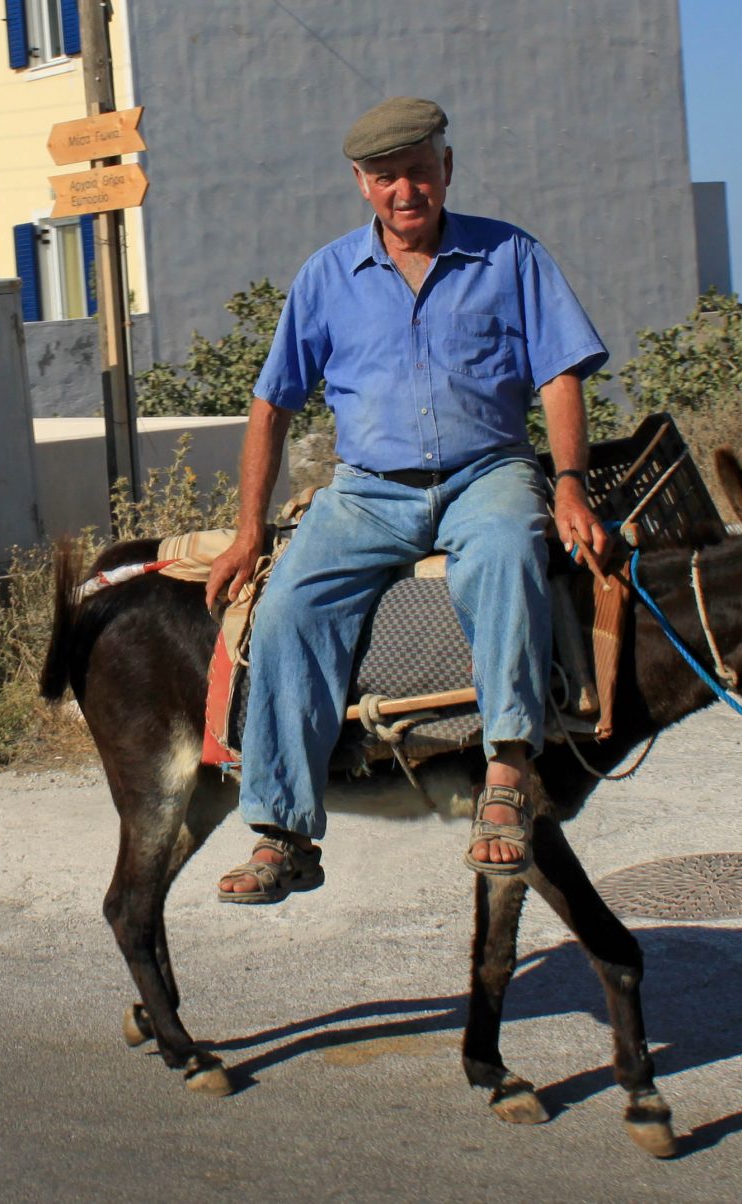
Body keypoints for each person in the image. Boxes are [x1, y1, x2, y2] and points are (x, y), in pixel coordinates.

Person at [205, 96, 611, 903]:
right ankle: (283, 832)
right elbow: (272, 405)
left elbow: (559, 375)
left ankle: (506, 771)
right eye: (387, 178)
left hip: (486, 474)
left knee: (502, 554)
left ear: (446, 171)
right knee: (288, 608)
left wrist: (568, 483)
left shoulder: (512, 256)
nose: (406, 192)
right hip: (366, 493)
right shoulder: (326, 276)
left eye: (420, 173)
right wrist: (250, 529)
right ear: (361, 184)